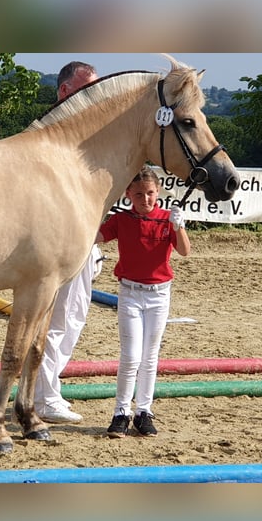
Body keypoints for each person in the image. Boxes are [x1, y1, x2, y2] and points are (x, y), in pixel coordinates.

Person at [96, 166, 190, 438]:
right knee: (130, 356)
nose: (145, 199)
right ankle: (121, 412)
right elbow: (96, 236)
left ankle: (143, 411)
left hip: (159, 293)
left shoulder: (166, 219)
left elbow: (184, 251)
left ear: (157, 192)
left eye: (149, 193)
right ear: (128, 195)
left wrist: (178, 226)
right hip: (130, 293)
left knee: (150, 356)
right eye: (139, 194)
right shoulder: (122, 220)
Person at [34, 61, 104, 424]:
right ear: (65, 91)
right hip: (62, 236)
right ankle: (45, 395)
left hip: (78, 234)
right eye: (87, 88)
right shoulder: (62, 136)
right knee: (63, 317)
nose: (95, 96)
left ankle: (45, 391)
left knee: (69, 317)